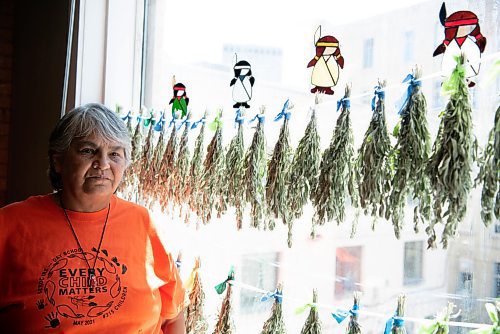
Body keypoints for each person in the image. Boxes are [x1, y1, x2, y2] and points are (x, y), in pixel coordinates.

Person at [0, 103, 186, 333]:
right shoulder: (10, 224)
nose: (103, 164)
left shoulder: (142, 221)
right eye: (88, 150)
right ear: (58, 161)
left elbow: (174, 312)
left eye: (115, 154)